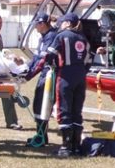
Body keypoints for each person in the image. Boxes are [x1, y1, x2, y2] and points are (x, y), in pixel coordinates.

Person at [30, 12, 92, 157]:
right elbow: (89, 60)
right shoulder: (84, 39)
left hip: (65, 76)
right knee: (76, 112)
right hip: (81, 78)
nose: (59, 25)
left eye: (62, 22)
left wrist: (37, 70)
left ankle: (66, 147)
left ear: (68, 23)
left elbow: (48, 55)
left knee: (64, 110)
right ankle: (76, 146)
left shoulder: (62, 36)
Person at [23, 13, 58, 147]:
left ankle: (41, 137)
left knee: (43, 105)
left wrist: (28, 75)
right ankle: (41, 135)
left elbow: (43, 60)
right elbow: (36, 58)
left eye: (37, 25)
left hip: (51, 74)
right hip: (45, 74)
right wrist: (24, 67)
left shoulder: (51, 37)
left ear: (42, 24)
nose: (36, 28)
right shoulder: (43, 38)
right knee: (39, 104)